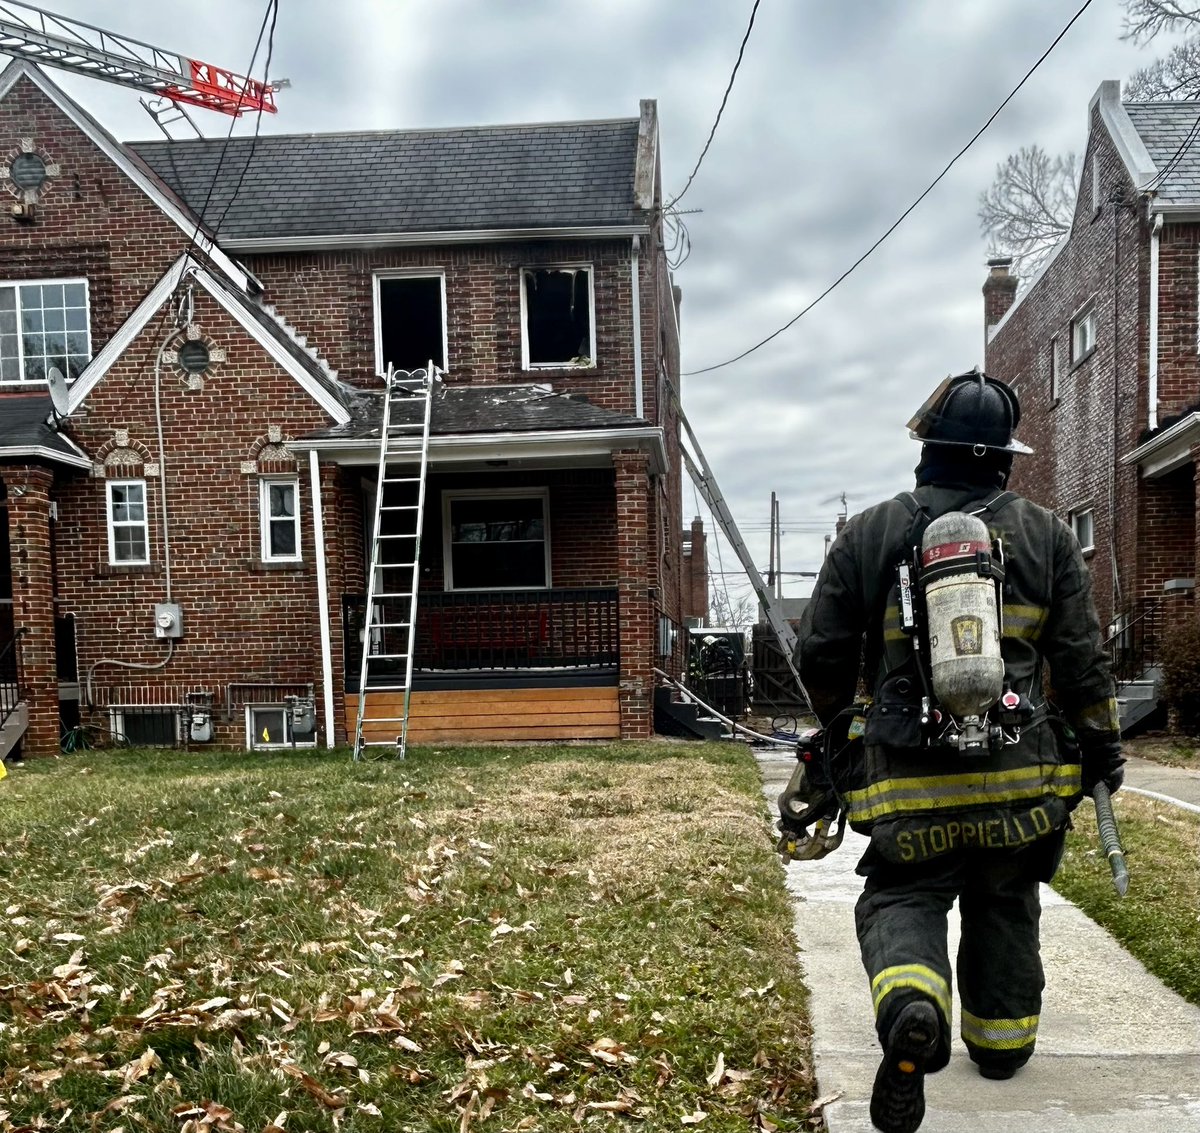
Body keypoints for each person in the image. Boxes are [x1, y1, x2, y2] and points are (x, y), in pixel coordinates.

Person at [795, 371, 1123, 1133]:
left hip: (907, 781)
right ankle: (1001, 1044)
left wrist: (842, 729)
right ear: (1004, 459)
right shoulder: (1045, 533)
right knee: (1005, 900)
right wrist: (1101, 745)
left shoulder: (871, 532)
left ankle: (914, 1005)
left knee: (903, 898)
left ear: (927, 449)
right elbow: (1082, 658)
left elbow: (821, 652)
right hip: (1019, 783)